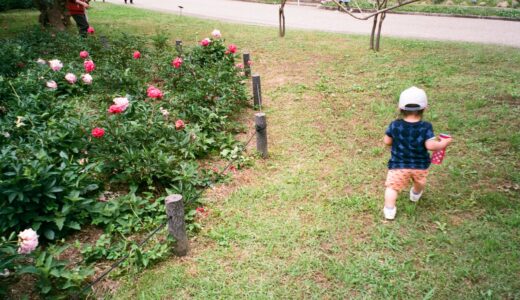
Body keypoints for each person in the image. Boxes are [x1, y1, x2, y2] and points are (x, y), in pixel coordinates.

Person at [382, 86, 452, 220]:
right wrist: (444, 143)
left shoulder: (395, 125)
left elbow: (387, 141)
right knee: (420, 182)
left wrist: (393, 139)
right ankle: (415, 194)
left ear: (400, 108)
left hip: (398, 165)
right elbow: (431, 145)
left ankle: (389, 210)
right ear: (425, 108)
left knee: (392, 188)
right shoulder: (426, 127)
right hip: (419, 165)